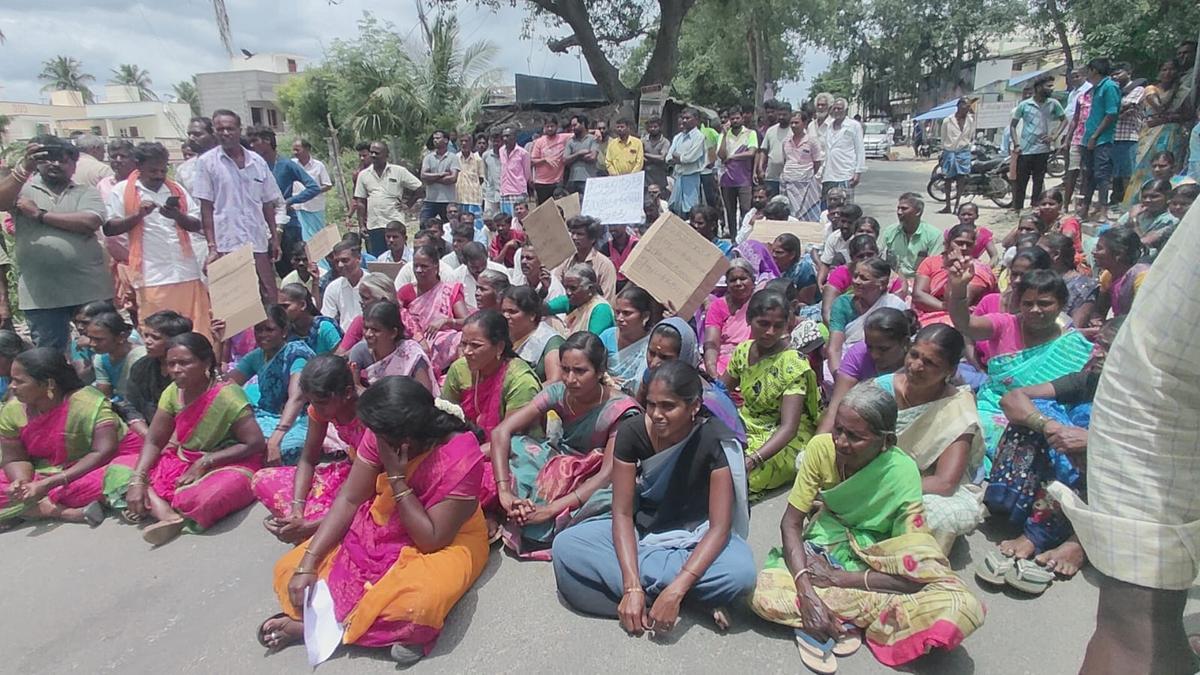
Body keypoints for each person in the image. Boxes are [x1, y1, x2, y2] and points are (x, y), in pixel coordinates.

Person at [1055, 192, 1200, 674]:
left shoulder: (1142, 281)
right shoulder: (1109, 282)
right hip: (1154, 392)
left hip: (1159, 400)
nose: (1095, 254)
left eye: (1102, 251)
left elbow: (1156, 371)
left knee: (1138, 625)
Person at [749, 382, 985, 671]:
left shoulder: (901, 472)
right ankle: (853, 615)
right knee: (760, 595)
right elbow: (791, 523)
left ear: (885, 442)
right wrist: (807, 592)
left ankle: (833, 614)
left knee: (962, 607)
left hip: (877, 559)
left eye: (855, 437)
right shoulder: (820, 449)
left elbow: (913, 571)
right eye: (838, 429)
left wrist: (840, 579)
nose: (840, 442)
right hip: (824, 546)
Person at [262, 377, 489, 667]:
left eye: (380, 435)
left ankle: (321, 626)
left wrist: (396, 477)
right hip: (383, 518)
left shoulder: (461, 454)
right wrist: (309, 561)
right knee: (288, 570)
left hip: (446, 537)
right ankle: (335, 626)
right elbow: (350, 499)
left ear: (404, 441)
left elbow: (431, 539)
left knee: (418, 604)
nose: (372, 436)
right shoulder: (382, 434)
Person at [552, 360, 755, 634]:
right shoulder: (632, 432)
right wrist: (631, 585)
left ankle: (669, 596)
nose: (656, 415)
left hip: (696, 538)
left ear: (694, 406)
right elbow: (622, 512)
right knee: (567, 546)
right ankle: (687, 598)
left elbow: (719, 528)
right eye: (651, 404)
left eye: (668, 406)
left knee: (741, 572)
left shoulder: (713, 440)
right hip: (644, 534)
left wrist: (677, 588)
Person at [976, 317, 1122, 595]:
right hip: (1073, 464)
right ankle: (1016, 510)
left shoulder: (1152, 399)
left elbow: (1156, 454)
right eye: (1099, 344)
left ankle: (1077, 540)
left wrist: (1095, 441)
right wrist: (1049, 425)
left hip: (1114, 483)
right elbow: (1013, 398)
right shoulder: (1090, 378)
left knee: (1093, 435)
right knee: (1037, 412)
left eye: (1109, 348)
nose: (1098, 353)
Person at [488, 331, 641, 558]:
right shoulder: (559, 392)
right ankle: (517, 507)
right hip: (560, 462)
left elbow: (607, 474)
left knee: (616, 497)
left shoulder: (620, 411)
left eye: (580, 371)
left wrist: (549, 510)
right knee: (514, 446)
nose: (570, 379)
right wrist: (504, 491)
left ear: (600, 372)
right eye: (565, 369)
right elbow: (502, 431)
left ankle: (536, 516)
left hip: (595, 475)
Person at [104, 333, 266, 546]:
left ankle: (153, 504)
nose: (175, 370)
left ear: (206, 362)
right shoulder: (172, 393)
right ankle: (166, 513)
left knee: (212, 496)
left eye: (184, 363)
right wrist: (138, 479)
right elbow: (154, 441)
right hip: (182, 460)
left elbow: (254, 443)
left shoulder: (228, 396)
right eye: (171, 364)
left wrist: (205, 461)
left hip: (227, 461)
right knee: (119, 469)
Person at [948, 264, 1092, 466]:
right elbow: (965, 324)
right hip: (993, 409)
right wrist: (959, 288)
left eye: (1044, 303)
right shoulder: (1005, 324)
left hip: (1044, 418)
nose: (1035, 310)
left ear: (1061, 304)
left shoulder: (1074, 346)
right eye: (1028, 303)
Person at [0, 348, 142, 527]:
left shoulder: (87, 403)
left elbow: (104, 451)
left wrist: (50, 483)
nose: (11, 386)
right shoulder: (13, 410)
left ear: (48, 384)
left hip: (102, 462)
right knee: (15, 487)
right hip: (50, 469)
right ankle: (59, 510)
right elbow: (15, 458)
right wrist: (21, 482)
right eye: (12, 380)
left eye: (19, 381)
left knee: (118, 476)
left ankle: (40, 507)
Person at [876, 325, 985, 552]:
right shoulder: (883, 388)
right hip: (874, 470)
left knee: (941, 516)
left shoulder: (957, 409)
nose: (916, 366)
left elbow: (944, 482)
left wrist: (886, 488)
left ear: (950, 371)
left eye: (930, 363)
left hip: (921, 485)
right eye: (914, 355)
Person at [0, 135, 113, 351]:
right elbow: (1, 201)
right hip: (41, 295)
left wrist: (39, 214)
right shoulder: (22, 190)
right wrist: (24, 167)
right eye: (48, 159)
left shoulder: (86, 191)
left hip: (89, 289)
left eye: (63, 160)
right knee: (49, 356)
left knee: (99, 350)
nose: (55, 164)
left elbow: (90, 221)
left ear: (73, 166)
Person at [252, 354, 365, 544]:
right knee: (262, 479)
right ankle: (306, 524)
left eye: (320, 403)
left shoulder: (369, 411)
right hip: (352, 471)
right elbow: (308, 459)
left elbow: (367, 486)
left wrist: (310, 525)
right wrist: (297, 509)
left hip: (374, 481)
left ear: (346, 393)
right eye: (310, 402)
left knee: (362, 513)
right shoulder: (319, 409)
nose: (314, 408)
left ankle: (313, 528)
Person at [104, 142, 211, 337]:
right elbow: (110, 228)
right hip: (152, 275)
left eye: (163, 170)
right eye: (153, 170)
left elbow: (196, 224)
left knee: (196, 331)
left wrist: (177, 216)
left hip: (186, 271)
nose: (159, 175)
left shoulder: (175, 189)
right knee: (159, 333)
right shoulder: (122, 190)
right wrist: (138, 215)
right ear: (139, 166)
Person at [721, 290, 821, 498]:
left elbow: (789, 428)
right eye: (763, 323)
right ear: (749, 319)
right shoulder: (743, 351)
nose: (770, 332)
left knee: (736, 479)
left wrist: (754, 459)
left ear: (787, 324)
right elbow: (721, 391)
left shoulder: (793, 364)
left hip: (783, 438)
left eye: (778, 326)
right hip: (747, 425)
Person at [193, 110, 284, 308]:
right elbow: (206, 208)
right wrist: (212, 247)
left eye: (230, 128)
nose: (226, 133)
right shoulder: (207, 163)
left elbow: (268, 203)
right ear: (214, 132)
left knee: (268, 298)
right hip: (227, 244)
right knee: (236, 304)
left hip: (257, 242)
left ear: (238, 130)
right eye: (220, 129)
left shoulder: (256, 161)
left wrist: (275, 238)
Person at [227, 305, 314, 465]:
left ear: (284, 331)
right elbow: (226, 387)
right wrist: (219, 342)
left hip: (297, 419)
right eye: (258, 330)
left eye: (269, 329)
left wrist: (276, 437)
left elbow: (297, 398)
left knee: (289, 448)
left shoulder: (297, 354)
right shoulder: (256, 356)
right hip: (265, 416)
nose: (262, 335)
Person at [817, 307, 914, 434]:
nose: (874, 355)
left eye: (883, 349)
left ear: (905, 343)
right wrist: (814, 448)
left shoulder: (917, 366)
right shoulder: (859, 355)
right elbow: (835, 409)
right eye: (870, 347)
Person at [246, 125, 321, 279]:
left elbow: (313, 187)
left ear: (267, 141)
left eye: (254, 141)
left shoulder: (286, 164)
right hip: (263, 226)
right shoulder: (253, 167)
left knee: (295, 267)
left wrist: (289, 201)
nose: (251, 146)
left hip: (288, 226)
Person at [1124, 59, 1191, 210]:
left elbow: (1186, 115)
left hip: (1174, 136)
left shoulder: (1183, 92)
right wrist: (1174, 91)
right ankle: (1138, 204)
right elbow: (1160, 107)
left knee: (1168, 168)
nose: (1168, 73)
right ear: (1159, 73)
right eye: (1164, 70)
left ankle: (1165, 203)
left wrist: (1165, 118)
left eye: (1172, 70)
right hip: (1150, 137)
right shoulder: (1151, 89)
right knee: (1145, 170)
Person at [396, 245, 469, 379]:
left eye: (424, 266)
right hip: (415, 343)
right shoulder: (406, 292)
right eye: (416, 266)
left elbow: (467, 322)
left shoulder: (449, 291)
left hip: (445, 345)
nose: (419, 270)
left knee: (460, 339)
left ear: (436, 267)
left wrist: (446, 321)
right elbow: (396, 317)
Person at [828, 257, 908, 374]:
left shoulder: (895, 305)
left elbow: (900, 348)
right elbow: (835, 348)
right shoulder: (842, 304)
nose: (856, 281)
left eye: (864, 278)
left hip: (887, 366)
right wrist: (838, 374)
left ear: (882, 283)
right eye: (855, 276)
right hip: (847, 362)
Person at [119, 311, 192, 436]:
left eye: (155, 337)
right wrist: (148, 436)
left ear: (175, 340)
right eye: (146, 335)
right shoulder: (141, 367)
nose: (147, 341)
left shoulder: (191, 370)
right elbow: (131, 407)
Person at [913, 224, 998, 326]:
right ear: (947, 243)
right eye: (959, 243)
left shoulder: (977, 270)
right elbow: (918, 296)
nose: (964, 248)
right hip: (930, 315)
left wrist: (952, 270)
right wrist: (943, 306)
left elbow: (958, 304)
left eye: (969, 244)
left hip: (964, 321)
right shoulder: (930, 262)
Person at [346, 301, 436, 394]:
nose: (368, 334)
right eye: (366, 328)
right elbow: (355, 387)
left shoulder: (411, 354)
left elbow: (425, 394)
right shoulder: (360, 351)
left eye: (375, 330)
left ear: (393, 333)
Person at [354, 141, 422, 256]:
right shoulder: (363, 175)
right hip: (374, 225)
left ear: (386, 155)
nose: (374, 155)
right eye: (372, 153)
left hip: (395, 223)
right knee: (378, 258)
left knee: (399, 256)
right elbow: (360, 202)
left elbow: (419, 188)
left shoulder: (398, 171)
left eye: (377, 153)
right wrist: (361, 226)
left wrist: (408, 205)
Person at [1010, 74, 1067, 212]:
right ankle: (1017, 208)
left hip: (1043, 149)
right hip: (1025, 149)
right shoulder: (1024, 105)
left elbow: (1064, 120)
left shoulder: (1053, 104)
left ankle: (1035, 207)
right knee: (1021, 181)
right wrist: (1017, 144)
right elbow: (1013, 125)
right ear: (1039, 87)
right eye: (1049, 86)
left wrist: (1054, 136)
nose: (1051, 89)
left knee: (1039, 180)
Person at [821, 233, 903, 325]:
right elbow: (827, 312)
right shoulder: (841, 274)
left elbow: (897, 313)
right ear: (852, 258)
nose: (866, 259)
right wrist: (840, 331)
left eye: (870, 255)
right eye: (861, 256)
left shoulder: (889, 277)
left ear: (877, 254)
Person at [1080, 59, 1121, 221]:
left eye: (1088, 70)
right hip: (1089, 137)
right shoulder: (1096, 88)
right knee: (1088, 174)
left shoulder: (1109, 87)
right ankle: (1085, 207)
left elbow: (1111, 113)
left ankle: (1103, 209)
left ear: (1094, 70)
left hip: (1102, 139)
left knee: (1102, 175)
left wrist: (1095, 136)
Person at [702, 259, 756, 378]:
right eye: (733, 280)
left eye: (743, 279)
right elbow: (711, 344)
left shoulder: (760, 303)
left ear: (753, 281)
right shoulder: (717, 306)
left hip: (751, 361)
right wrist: (712, 371)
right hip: (721, 362)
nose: (738, 283)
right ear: (727, 284)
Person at [600, 285, 656, 394]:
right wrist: (605, 377)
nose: (619, 318)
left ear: (645, 316)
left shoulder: (651, 343)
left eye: (627, 313)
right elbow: (589, 362)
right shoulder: (607, 336)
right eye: (617, 312)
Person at [501, 286, 564, 383]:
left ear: (532, 315)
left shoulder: (551, 342)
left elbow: (555, 381)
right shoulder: (501, 337)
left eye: (512, 312)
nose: (505, 316)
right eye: (503, 311)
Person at [1039, 233, 1097, 328]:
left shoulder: (1084, 285)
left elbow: (1075, 328)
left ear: (1056, 254)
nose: (1035, 253)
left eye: (1039, 250)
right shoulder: (1039, 277)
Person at [86, 312, 147, 403]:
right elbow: (104, 395)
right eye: (90, 338)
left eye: (98, 339)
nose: (92, 344)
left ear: (121, 337)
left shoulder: (140, 357)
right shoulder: (100, 358)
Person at [554, 215, 618, 301]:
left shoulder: (605, 265)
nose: (574, 237)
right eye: (572, 233)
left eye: (579, 234)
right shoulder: (566, 261)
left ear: (592, 239)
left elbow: (607, 298)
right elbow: (557, 286)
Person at [881, 192, 942, 282]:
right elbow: (881, 260)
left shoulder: (934, 235)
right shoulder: (890, 232)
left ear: (918, 212)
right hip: (893, 281)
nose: (899, 212)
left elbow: (935, 267)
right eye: (898, 208)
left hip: (920, 282)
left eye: (904, 209)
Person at [1093, 227, 1149, 319]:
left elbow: (1141, 318)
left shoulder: (1141, 277)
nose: (1094, 252)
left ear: (1118, 254)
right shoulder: (1108, 276)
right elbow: (1100, 311)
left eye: (1099, 248)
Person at [718, 107, 760, 232]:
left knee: (745, 209)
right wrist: (725, 135)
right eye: (732, 119)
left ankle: (744, 235)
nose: (735, 121)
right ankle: (732, 238)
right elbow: (721, 155)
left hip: (744, 178)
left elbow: (752, 152)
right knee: (730, 211)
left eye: (737, 118)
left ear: (742, 118)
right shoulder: (724, 134)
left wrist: (733, 156)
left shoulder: (750, 133)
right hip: (727, 179)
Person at [779, 109, 824, 222]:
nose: (793, 125)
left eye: (796, 123)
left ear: (804, 123)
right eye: (792, 123)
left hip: (806, 184)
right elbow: (786, 160)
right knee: (789, 212)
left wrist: (806, 175)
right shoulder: (786, 141)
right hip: (788, 182)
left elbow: (817, 162)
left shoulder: (812, 141)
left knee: (807, 213)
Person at [1118, 179, 1178, 260]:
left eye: (1154, 197)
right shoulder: (1138, 210)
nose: (1147, 200)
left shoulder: (1170, 220)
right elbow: (1113, 229)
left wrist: (1134, 221)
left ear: (1167, 198)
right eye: (1144, 197)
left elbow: (1143, 243)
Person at [819, 98, 866, 201]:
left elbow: (860, 150)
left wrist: (858, 172)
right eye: (834, 108)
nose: (836, 111)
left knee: (845, 207)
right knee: (828, 207)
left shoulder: (854, 126)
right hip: (829, 175)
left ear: (845, 110)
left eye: (839, 108)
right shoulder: (829, 126)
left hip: (846, 173)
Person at [547, 263, 614, 335]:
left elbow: (590, 342)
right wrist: (544, 291)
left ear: (590, 289)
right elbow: (541, 309)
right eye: (566, 288)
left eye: (573, 288)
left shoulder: (601, 309)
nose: (568, 292)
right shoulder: (571, 300)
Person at [278, 283, 342, 355]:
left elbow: (340, 358)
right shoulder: (287, 333)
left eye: (285, 306)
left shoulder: (324, 328)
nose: (281, 311)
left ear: (302, 305)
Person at [290, 139, 335, 241]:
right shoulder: (292, 164)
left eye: (297, 150)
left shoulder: (318, 166)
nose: (295, 153)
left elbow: (327, 185)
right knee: (302, 238)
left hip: (314, 207)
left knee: (318, 237)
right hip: (297, 207)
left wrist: (311, 192)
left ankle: (320, 257)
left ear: (307, 149)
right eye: (293, 150)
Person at [939, 98, 977, 213]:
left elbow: (970, 135)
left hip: (963, 152)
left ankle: (957, 206)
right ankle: (948, 205)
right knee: (948, 179)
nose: (967, 109)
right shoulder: (948, 120)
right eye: (965, 106)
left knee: (962, 179)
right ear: (959, 106)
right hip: (949, 151)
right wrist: (944, 151)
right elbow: (943, 137)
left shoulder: (970, 120)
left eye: (968, 107)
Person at [318, 241, 365, 332]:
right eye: (336, 261)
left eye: (345, 260)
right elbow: (327, 319)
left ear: (359, 259)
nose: (340, 265)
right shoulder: (333, 287)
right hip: (344, 339)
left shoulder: (372, 284)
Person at [668, 109, 707, 216]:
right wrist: (679, 159)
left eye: (688, 118)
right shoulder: (678, 137)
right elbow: (668, 157)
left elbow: (690, 158)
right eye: (683, 118)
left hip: (691, 177)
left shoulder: (699, 137)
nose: (684, 120)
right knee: (675, 207)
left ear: (696, 120)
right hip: (678, 177)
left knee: (690, 209)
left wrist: (679, 158)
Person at [449, 242, 508, 312]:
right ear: (465, 262)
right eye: (474, 267)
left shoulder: (500, 270)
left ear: (487, 257)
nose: (480, 269)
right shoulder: (456, 276)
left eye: (483, 265)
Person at [419, 130, 461, 222]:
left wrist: (432, 179)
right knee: (424, 225)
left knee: (449, 227)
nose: (435, 140)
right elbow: (423, 175)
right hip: (430, 199)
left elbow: (453, 178)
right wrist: (441, 175)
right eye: (434, 138)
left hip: (447, 200)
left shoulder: (453, 158)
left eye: (438, 138)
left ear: (446, 140)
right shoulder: (428, 157)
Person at [817, 203, 864, 285]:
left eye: (850, 223)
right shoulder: (833, 237)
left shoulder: (861, 240)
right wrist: (820, 283)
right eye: (843, 221)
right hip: (837, 278)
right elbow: (826, 264)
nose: (845, 225)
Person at [529, 118, 571, 204]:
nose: (550, 129)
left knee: (559, 207)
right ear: (544, 127)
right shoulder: (539, 142)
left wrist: (596, 131)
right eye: (547, 126)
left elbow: (578, 133)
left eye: (552, 126)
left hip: (557, 181)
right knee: (544, 210)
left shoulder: (563, 138)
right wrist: (544, 160)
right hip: (541, 183)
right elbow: (532, 161)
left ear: (557, 126)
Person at [771, 233, 818, 305]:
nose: (773, 255)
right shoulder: (771, 265)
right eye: (772, 251)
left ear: (792, 255)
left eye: (779, 252)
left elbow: (805, 301)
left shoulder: (804, 269)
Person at [498, 127, 533, 215]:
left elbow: (527, 174)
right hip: (504, 192)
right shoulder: (501, 151)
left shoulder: (523, 153)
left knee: (519, 219)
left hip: (518, 192)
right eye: (503, 136)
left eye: (508, 136)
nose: (505, 139)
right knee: (506, 220)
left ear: (514, 137)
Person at [455, 130, 485, 229]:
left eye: (466, 141)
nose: (464, 143)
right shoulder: (455, 158)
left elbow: (481, 178)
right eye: (461, 141)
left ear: (471, 143)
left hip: (474, 199)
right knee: (460, 226)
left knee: (476, 226)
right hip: (459, 198)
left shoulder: (478, 160)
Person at [564, 113, 600, 194]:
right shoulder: (570, 141)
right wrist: (579, 153)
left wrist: (573, 157)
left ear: (583, 124)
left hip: (589, 179)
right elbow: (565, 160)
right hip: (573, 180)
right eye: (571, 126)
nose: (572, 128)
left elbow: (592, 157)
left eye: (575, 125)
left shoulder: (593, 139)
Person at [640, 116, 671, 194]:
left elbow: (662, 158)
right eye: (650, 127)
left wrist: (646, 154)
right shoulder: (643, 141)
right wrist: (653, 158)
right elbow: (640, 157)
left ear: (660, 127)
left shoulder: (665, 142)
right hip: (646, 178)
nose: (653, 129)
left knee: (660, 201)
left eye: (655, 126)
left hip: (660, 177)